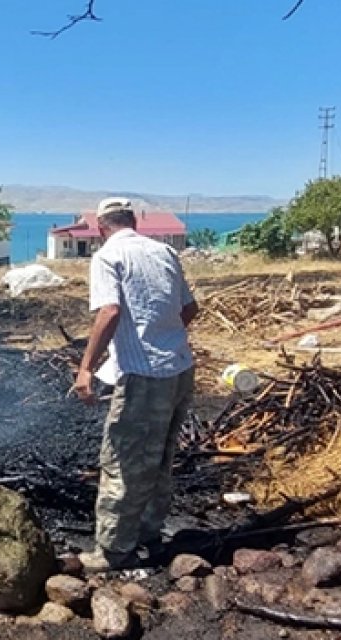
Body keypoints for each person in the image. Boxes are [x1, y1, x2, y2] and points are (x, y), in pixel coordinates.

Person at [72, 198, 199, 572]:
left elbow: (109, 312)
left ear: (100, 227)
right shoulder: (163, 252)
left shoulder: (108, 256)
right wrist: (164, 338)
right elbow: (190, 309)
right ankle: (148, 533)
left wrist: (85, 368)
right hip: (179, 369)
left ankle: (113, 551)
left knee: (122, 463)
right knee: (159, 457)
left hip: (144, 376)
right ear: (133, 221)